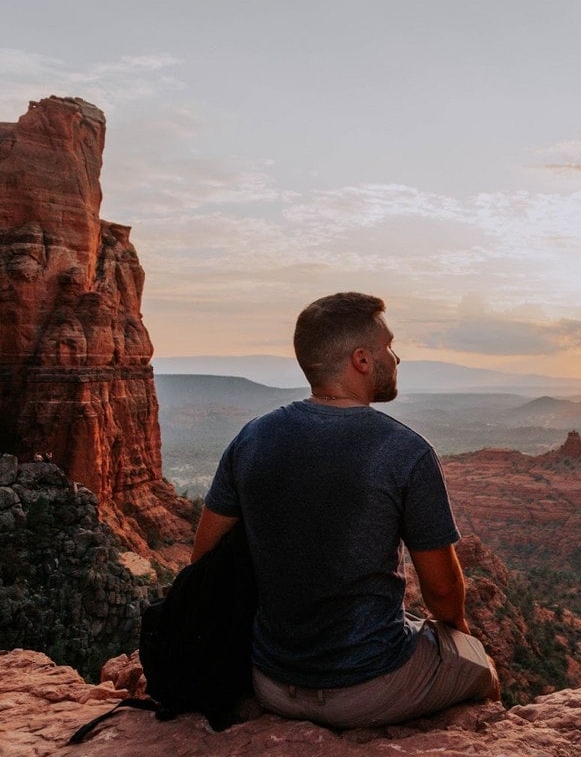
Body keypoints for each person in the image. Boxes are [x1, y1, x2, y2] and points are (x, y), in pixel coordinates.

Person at [191, 291, 500, 728]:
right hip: (370, 686)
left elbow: (203, 558)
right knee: (482, 669)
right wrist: (458, 638)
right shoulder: (405, 450)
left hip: (271, 682)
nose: (397, 358)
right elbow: (445, 595)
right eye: (389, 347)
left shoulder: (252, 438)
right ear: (361, 360)